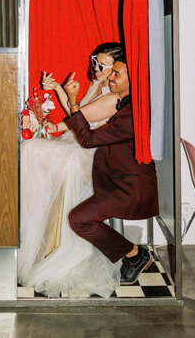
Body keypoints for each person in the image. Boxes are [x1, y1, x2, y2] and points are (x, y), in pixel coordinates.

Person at [18, 42, 124, 298]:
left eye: (102, 64)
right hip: (76, 144)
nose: (95, 68)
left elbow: (77, 120)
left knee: (32, 149)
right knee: (34, 152)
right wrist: (57, 89)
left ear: (115, 69)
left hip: (90, 154)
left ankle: (40, 227)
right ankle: (41, 232)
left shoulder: (113, 97)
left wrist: (49, 127)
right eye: (94, 62)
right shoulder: (98, 85)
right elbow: (74, 111)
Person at [64, 52, 159, 285]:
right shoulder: (127, 106)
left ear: (133, 78)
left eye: (116, 74)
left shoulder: (131, 116)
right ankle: (133, 254)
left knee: (79, 219)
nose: (109, 79)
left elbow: (87, 139)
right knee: (80, 216)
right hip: (119, 181)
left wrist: (74, 101)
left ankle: (135, 254)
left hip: (128, 187)